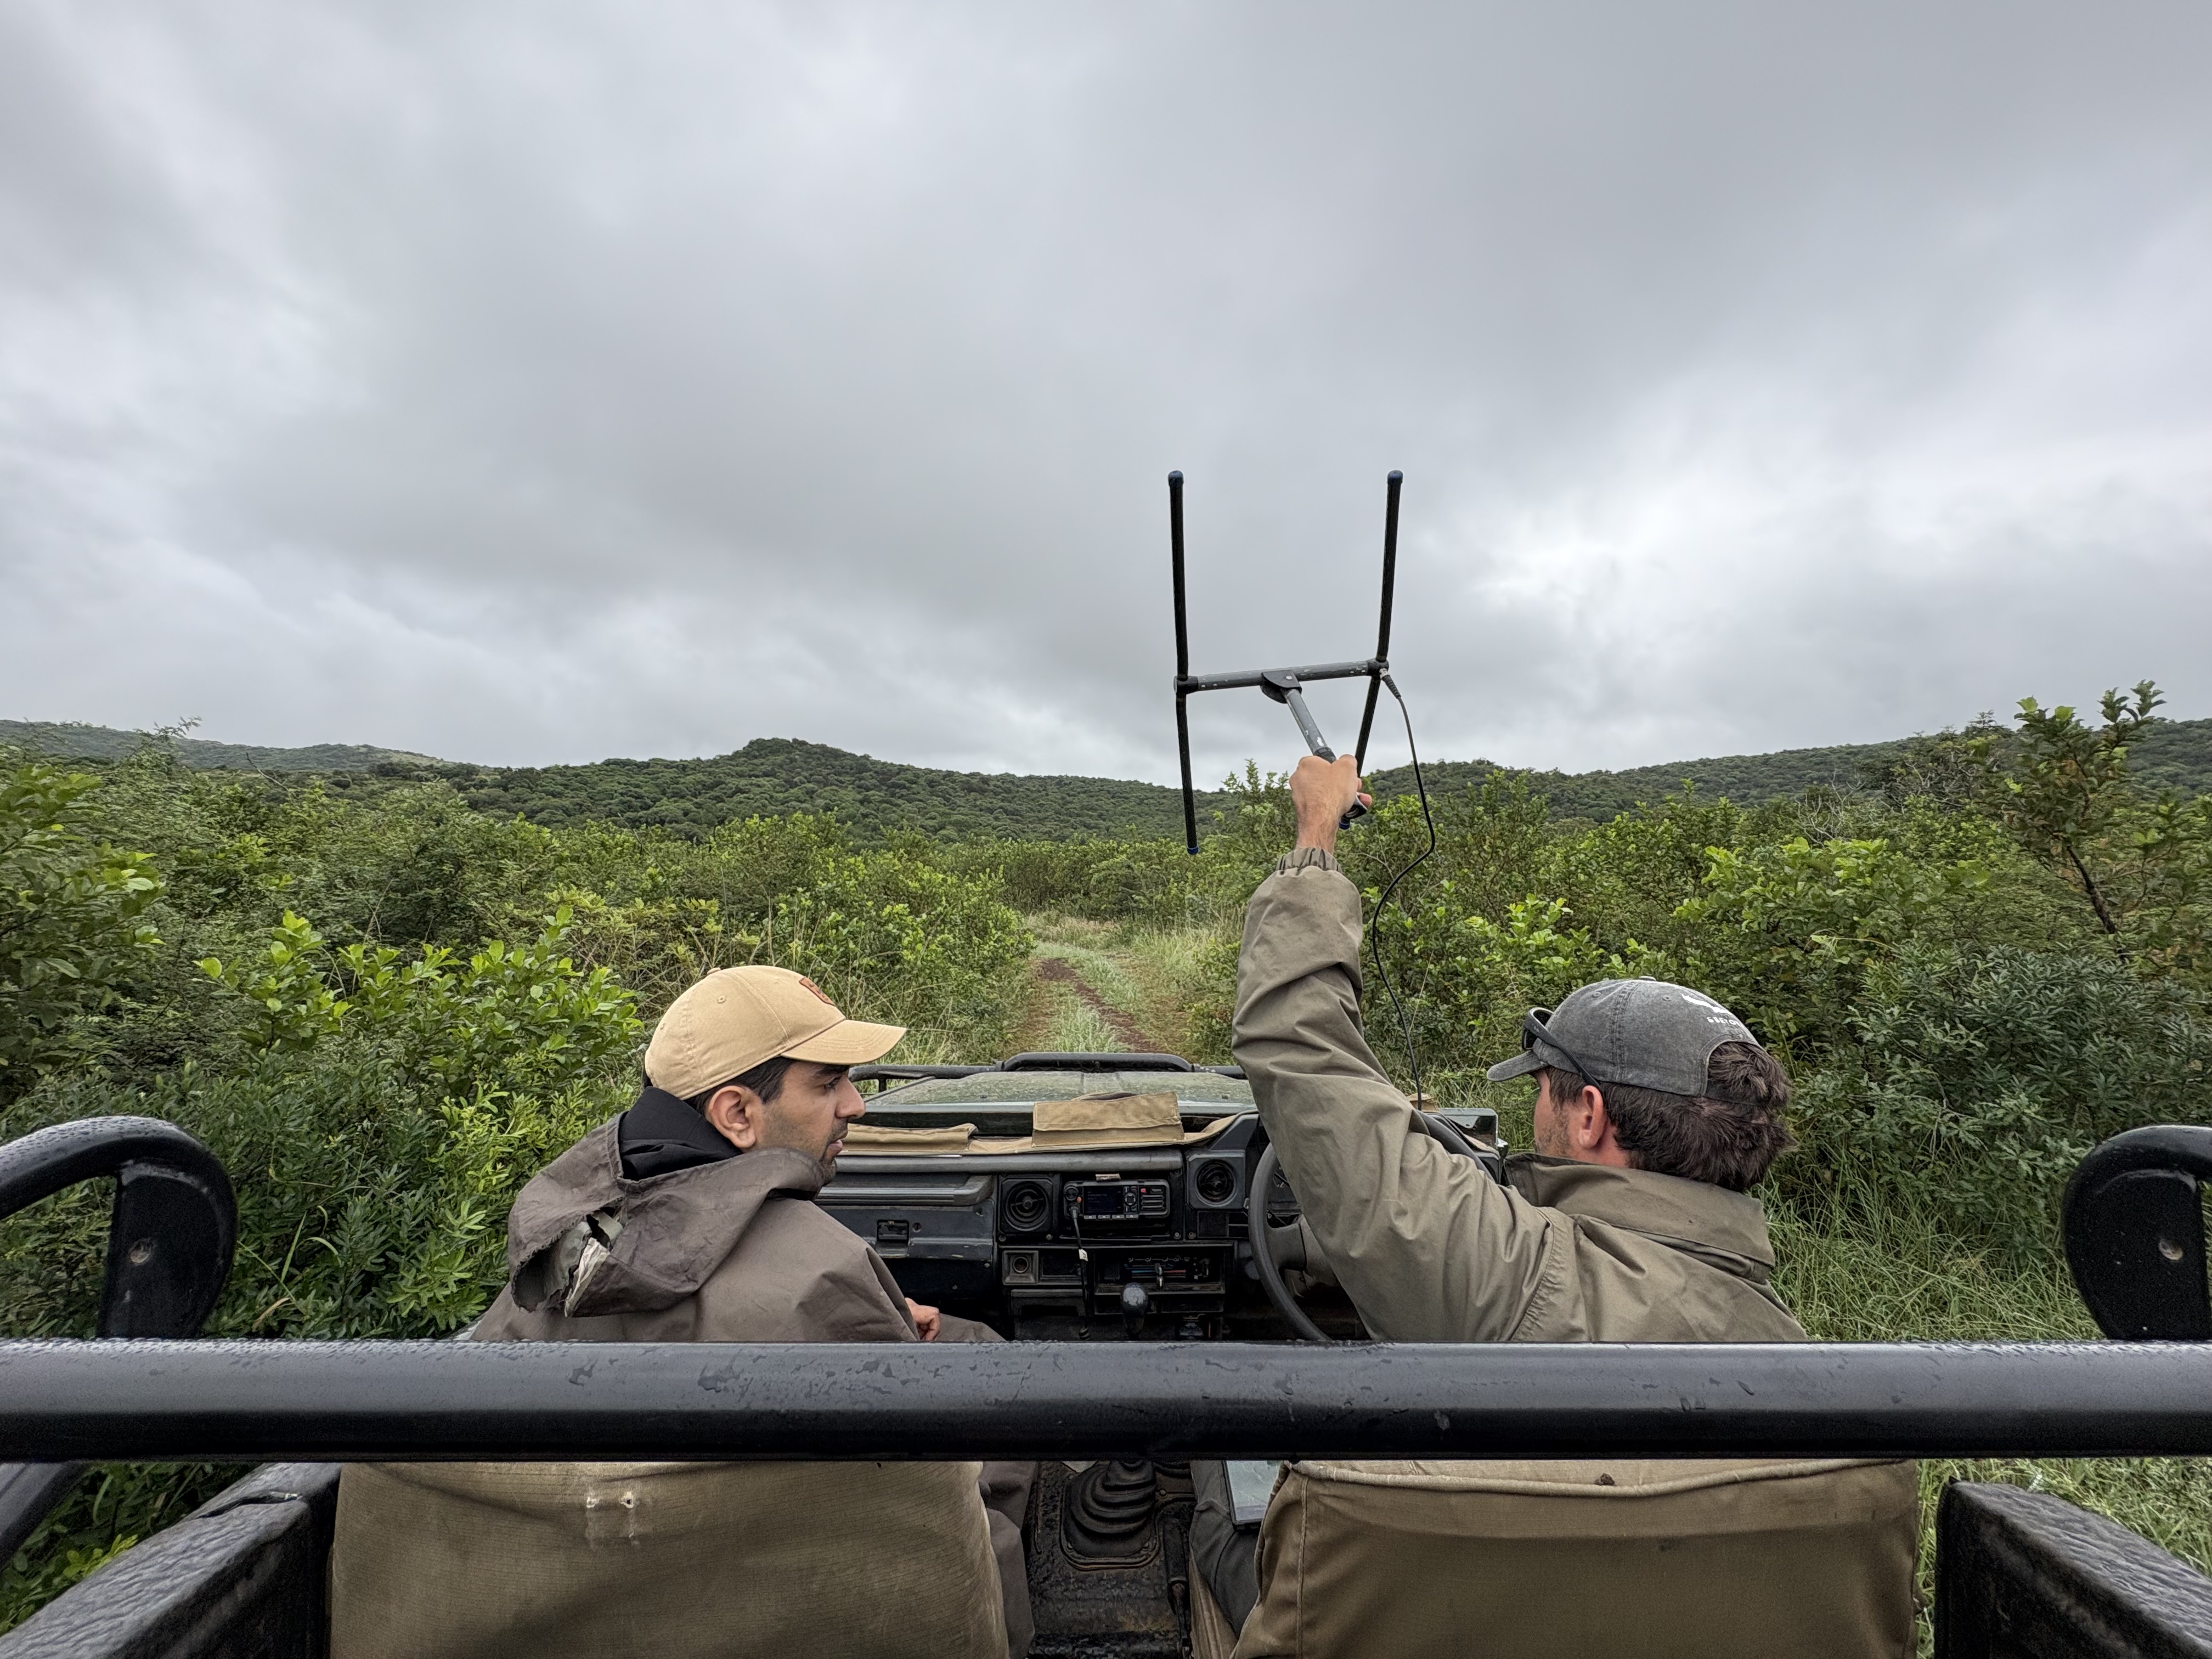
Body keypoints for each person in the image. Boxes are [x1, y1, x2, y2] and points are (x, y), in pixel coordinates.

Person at [1189, 754, 1917, 1659]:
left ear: (1587, 1111)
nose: (1534, 1109)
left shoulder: (1510, 1275)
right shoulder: (1820, 1384)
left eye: (1542, 1088)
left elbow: (1299, 1048)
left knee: (1219, 1474)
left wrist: (1315, 838)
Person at [329, 964, 1034, 1659]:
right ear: (736, 1114)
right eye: (827, 1083)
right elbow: (926, 1505)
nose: (854, 1105)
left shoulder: (556, 1254)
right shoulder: (828, 1268)